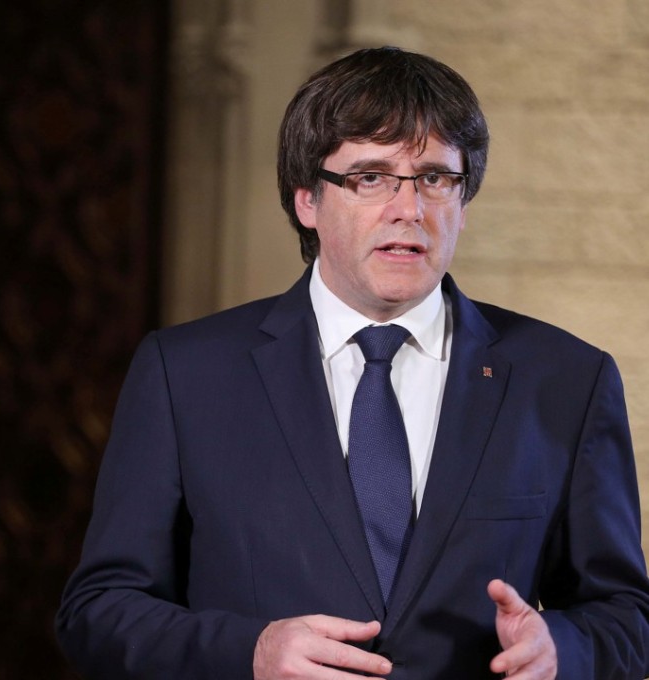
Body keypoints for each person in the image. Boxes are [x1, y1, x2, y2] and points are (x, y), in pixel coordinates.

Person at [55, 46, 649, 679]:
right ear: (307, 198)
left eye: (435, 178)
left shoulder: (565, 379)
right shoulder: (185, 373)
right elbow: (97, 612)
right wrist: (248, 653)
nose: (409, 208)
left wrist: (564, 650)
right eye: (371, 178)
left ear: (463, 200)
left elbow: (625, 617)